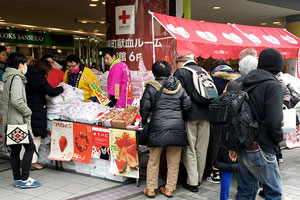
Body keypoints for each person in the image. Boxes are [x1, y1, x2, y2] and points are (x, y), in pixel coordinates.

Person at [235, 48, 284, 200]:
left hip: (245, 144)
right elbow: (275, 121)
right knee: (274, 193)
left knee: (246, 192)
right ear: (277, 66)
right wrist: (277, 140)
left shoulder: (245, 82)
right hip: (263, 146)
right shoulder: (272, 85)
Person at [140, 61, 191, 198]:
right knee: (173, 162)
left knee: (153, 160)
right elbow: (187, 105)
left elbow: (144, 107)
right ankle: (169, 189)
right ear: (169, 72)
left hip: (157, 128)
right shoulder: (179, 87)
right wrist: (180, 118)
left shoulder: (151, 87)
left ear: (154, 73)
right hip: (176, 128)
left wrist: (144, 122)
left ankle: (150, 189)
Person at [173, 54, 211, 192]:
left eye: (177, 63)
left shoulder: (181, 72)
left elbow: (176, 93)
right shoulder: (203, 71)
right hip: (206, 114)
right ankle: (199, 178)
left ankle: (192, 182)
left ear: (181, 62)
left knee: (190, 148)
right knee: (202, 148)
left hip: (189, 115)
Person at [2, 52, 40, 188]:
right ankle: (25, 179)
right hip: (18, 122)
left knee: (15, 150)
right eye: (25, 64)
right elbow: (17, 100)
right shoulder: (17, 78)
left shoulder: (7, 77)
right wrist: (28, 111)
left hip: (9, 121)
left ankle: (17, 179)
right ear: (20, 65)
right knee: (30, 148)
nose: (26, 67)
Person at [206, 59, 241, 184]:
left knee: (216, 145)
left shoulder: (212, 80)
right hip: (234, 118)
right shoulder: (237, 79)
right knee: (229, 145)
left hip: (217, 118)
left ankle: (215, 171)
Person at [25, 59, 64, 170]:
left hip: (27, 108)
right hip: (37, 109)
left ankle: (25, 160)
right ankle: (32, 162)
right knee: (35, 137)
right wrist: (61, 88)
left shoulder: (27, 75)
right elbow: (51, 91)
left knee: (28, 135)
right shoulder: (39, 77)